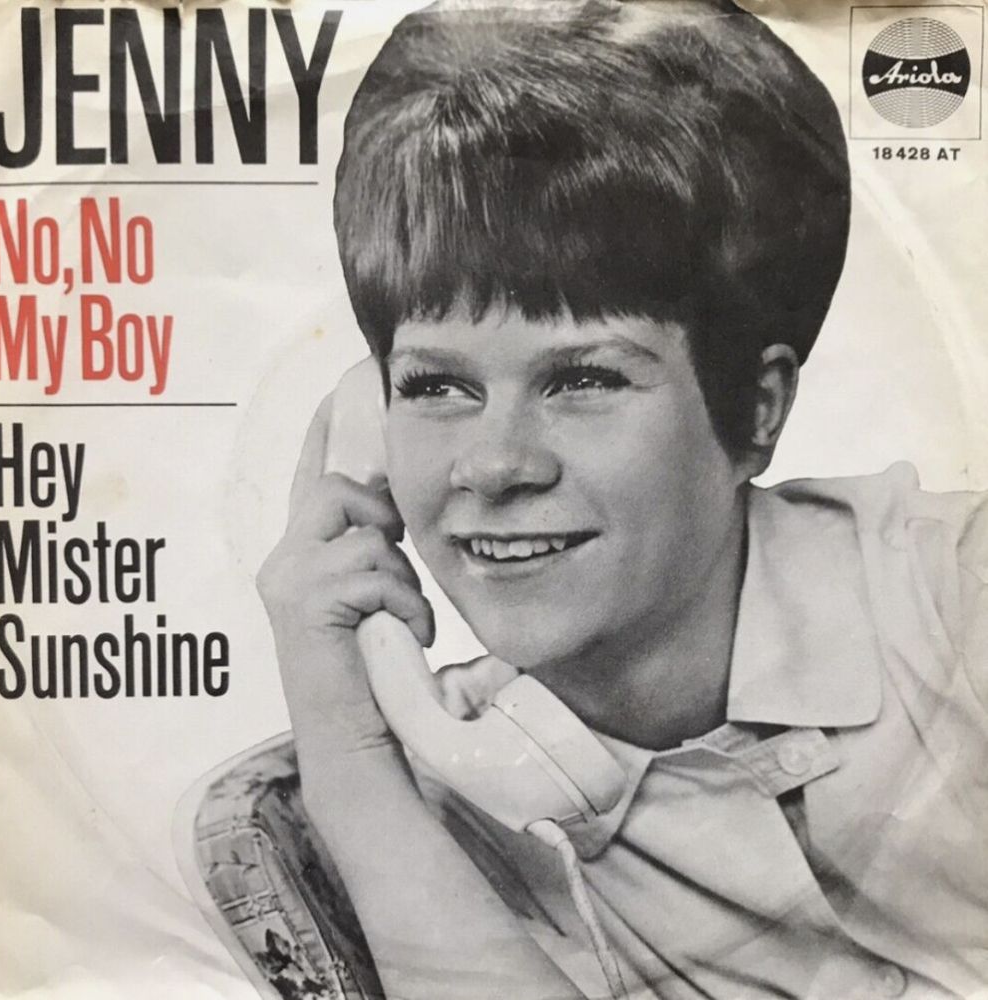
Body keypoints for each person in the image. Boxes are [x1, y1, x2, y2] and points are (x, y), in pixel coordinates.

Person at [256, 1, 988, 997]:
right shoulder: (424, 798)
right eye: (435, 386)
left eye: (581, 379)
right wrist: (346, 750)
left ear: (755, 408)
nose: (492, 467)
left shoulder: (952, 597)